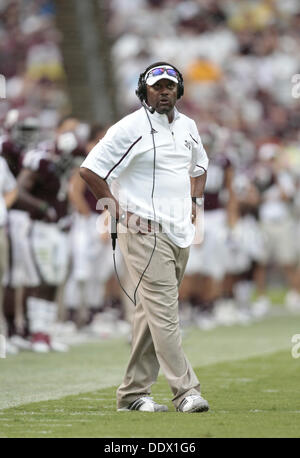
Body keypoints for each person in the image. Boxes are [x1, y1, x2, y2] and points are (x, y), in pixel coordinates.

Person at [80, 62, 210, 413]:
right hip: (143, 231)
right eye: (157, 86)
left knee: (149, 313)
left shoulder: (188, 126)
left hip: (179, 230)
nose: (164, 91)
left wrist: (195, 201)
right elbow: (90, 169)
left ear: (179, 90)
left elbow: (200, 166)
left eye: (170, 85)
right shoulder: (130, 127)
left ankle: (133, 393)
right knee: (166, 312)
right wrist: (119, 211)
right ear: (144, 91)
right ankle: (186, 391)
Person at [0, 156, 18, 345]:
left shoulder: (1, 162)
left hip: (0, 230)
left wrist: (2, 207)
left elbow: (12, 189)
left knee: (1, 282)